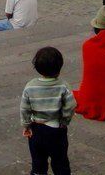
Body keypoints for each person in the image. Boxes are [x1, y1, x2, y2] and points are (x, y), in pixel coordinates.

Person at [20, 46, 75, 175]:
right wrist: (65, 120)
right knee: (60, 160)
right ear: (60, 67)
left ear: (37, 68)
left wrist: (26, 125)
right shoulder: (63, 86)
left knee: (38, 160)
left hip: (36, 129)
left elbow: (25, 108)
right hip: (57, 129)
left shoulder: (30, 86)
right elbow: (71, 106)